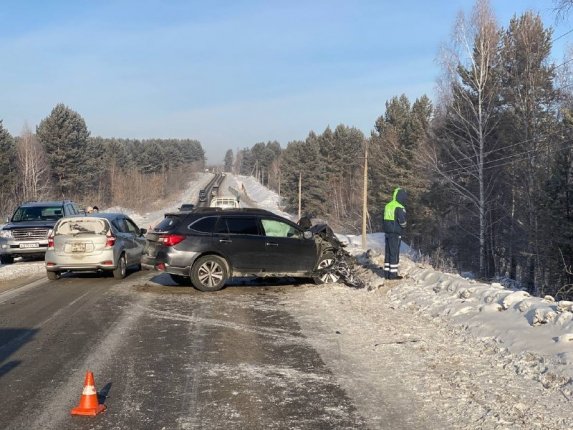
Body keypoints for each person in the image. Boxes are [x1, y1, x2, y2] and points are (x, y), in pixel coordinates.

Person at [383, 187, 407, 280]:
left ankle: (386, 273)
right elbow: (402, 221)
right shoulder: (400, 207)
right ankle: (393, 275)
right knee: (394, 253)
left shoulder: (388, 205)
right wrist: (404, 226)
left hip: (387, 232)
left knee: (388, 252)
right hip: (395, 233)